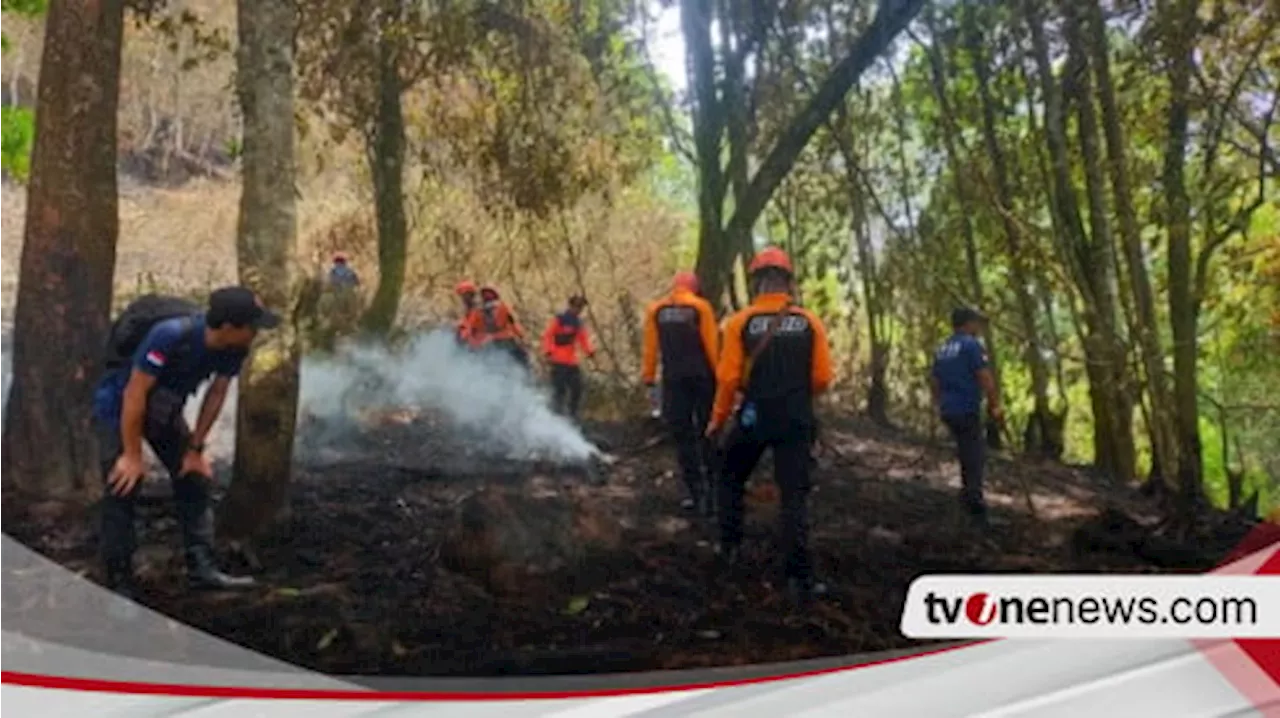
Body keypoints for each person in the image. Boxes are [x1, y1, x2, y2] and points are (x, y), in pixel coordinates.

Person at [92, 286, 278, 601]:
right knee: (123, 484)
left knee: (195, 480)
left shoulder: (235, 347)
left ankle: (202, 568)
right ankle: (119, 580)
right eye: (252, 326)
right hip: (120, 406)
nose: (256, 333)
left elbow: (216, 393)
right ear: (229, 326)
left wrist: (195, 449)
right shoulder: (169, 335)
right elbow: (134, 394)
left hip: (164, 406)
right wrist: (132, 454)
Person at [706, 246, 834, 606]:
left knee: (730, 476)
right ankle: (799, 578)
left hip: (754, 416)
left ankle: (729, 549)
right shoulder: (809, 322)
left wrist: (716, 421)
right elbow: (823, 378)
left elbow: (728, 378)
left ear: (756, 282)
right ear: (787, 282)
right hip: (795, 418)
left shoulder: (740, 322)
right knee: (794, 495)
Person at [641, 271, 719, 515]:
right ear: (694, 288)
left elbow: (651, 348)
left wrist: (649, 377)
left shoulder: (657, 310)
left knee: (683, 437)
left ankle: (695, 493)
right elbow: (711, 346)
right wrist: (722, 380)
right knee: (708, 430)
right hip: (703, 379)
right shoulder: (701, 308)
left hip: (674, 381)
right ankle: (714, 492)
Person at [930, 307, 1004, 527]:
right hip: (966, 408)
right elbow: (984, 377)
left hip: (949, 409)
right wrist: (995, 406)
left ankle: (967, 498)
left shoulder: (943, 348)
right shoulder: (971, 345)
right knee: (974, 455)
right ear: (967, 323)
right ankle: (975, 507)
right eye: (977, 323)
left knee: (966, 452)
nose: (979, 328)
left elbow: (934, 381)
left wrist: (939, 404)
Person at [542, 295, 595, 419]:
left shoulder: (578, 323)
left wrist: (589, 351)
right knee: (559, 391)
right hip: (558, 361)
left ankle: (573, 414)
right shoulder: (559, 320)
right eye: (577, 307)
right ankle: (556, 416)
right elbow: (548, 336)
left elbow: (583, 339)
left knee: (577, 389)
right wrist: (548, 351)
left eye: (580, 307)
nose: (578, 310)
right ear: (570, 306)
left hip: (571, 362)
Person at [470, 285, 530, 368]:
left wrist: (476, 346)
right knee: (523, 363)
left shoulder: (477, 311)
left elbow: (473, 331)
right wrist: (521, 337)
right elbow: (513, 323)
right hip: (506, 340)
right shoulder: (502, 306)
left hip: (488, 343)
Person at [454, 279, 480, 348]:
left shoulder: (478, 309)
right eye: (461, 295)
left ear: (471, 295)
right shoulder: (468, 311)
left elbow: (472, 328)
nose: (463, 298)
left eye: (465, 295)